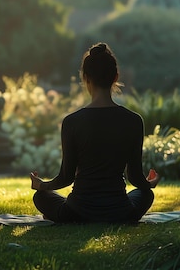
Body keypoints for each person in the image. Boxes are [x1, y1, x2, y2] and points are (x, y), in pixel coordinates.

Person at [30, 42, 160, 223]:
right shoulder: (133, 121)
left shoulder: (72, 122)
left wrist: (42, 185)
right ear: (115, 77)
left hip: (76, 212)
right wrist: (149, 184)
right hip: (121, 212)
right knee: (146, 194)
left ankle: (57, 213)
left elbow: (66, 178)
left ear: (85, 78)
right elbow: (135, 178)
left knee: (40, 197)